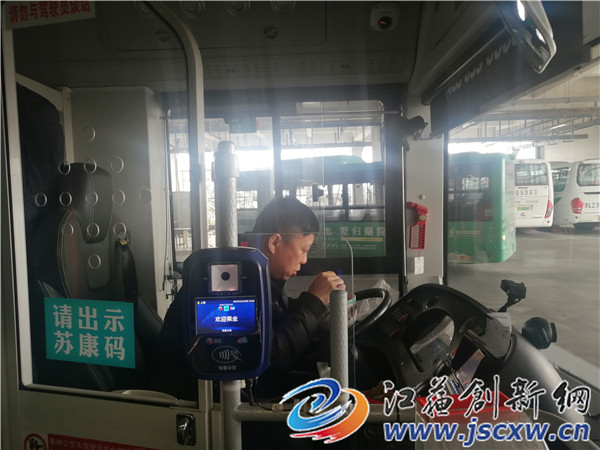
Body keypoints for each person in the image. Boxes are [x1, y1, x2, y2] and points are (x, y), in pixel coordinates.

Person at [150, 196, 345, 400]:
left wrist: (320, 308)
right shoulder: (231, 286)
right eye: (303, 250)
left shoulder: (259, 278)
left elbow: (274, 319)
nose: (304, 260)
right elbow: (263, 357)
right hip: (200, 402)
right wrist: (313, 303)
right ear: (275, 242)